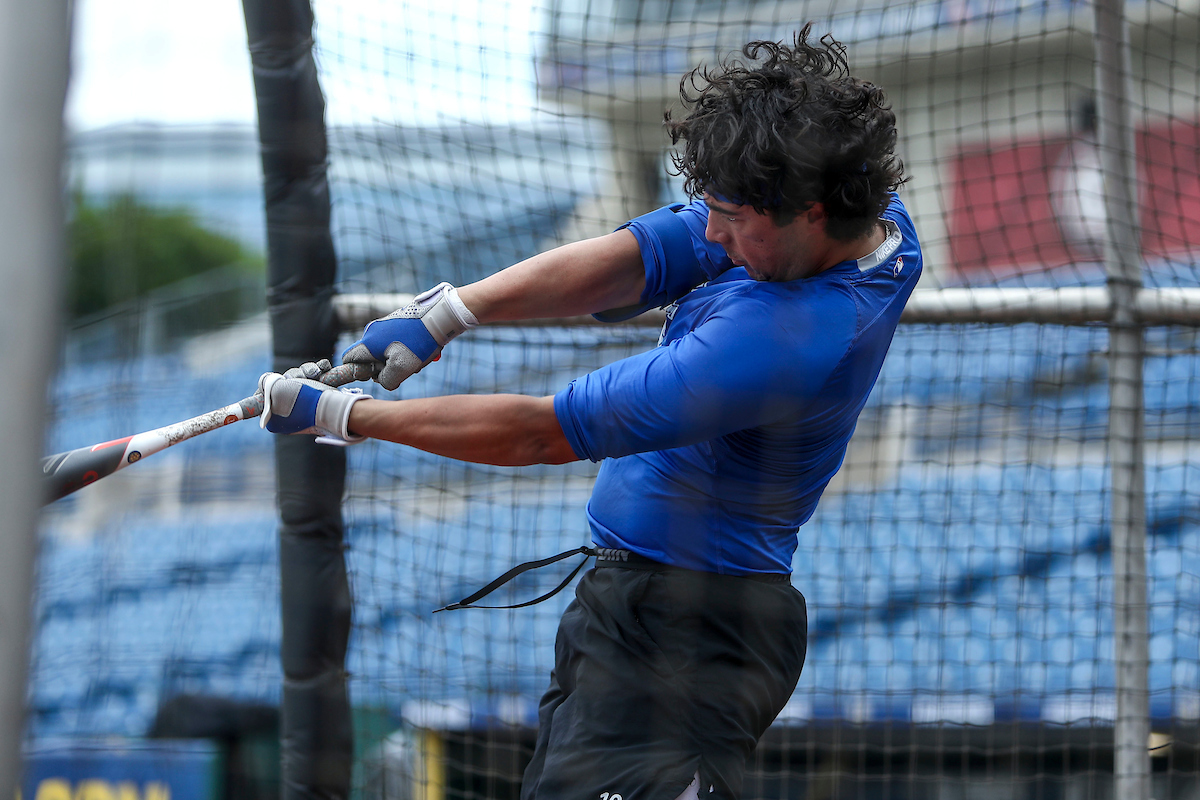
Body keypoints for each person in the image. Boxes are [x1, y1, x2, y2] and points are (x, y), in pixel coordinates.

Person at [258, 26, 920, 800]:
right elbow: (644, 257)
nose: (712, 231)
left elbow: (544, 432)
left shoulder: (783, 338)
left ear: (807, 210)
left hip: (686, 640)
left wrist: (348, 417)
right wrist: (450, 313)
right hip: (637, 615)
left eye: (730, 215)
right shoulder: (866, 218)